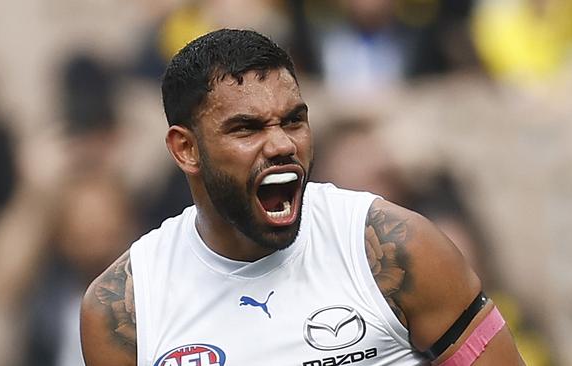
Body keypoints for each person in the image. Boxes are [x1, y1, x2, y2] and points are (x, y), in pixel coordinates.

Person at [80, 29, 525, 366]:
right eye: (247, 128)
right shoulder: (124, 308)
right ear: (186, 149)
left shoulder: (394, 248)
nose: (281, 145)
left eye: (294, 121)